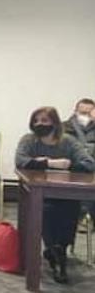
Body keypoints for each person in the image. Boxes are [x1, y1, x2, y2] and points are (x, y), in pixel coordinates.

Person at [15, 106, 95, 283]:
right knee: (46, 208)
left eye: (44, 120)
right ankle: (55, 251)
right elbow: (20, 161)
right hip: (38, 194)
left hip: (65, 193)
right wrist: (51, 163)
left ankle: (59, 250)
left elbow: (89, 164)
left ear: (55, 123)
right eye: (36, 121)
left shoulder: (68, 141)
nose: (39, 124)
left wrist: (68, 165)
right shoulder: (28, 140)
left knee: (70, 207)